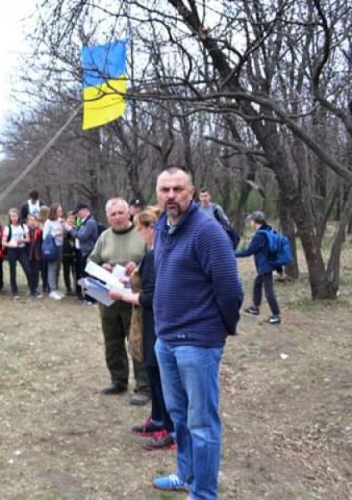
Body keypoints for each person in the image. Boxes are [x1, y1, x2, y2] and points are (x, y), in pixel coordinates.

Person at [151, 167, 243, 498]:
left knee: (202, 423)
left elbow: (230, 290)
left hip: (198, 343)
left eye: (178, 189)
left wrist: (222, 328)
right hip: (167, 340)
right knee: (180, 417)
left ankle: (203, 494)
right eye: (165, 189)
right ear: (157, 193)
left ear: (191, 192)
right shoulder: (163, 225)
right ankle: (185, 473)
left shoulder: (208, 231)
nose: (171, 195)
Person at [109, 206, 175, 450]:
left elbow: (151, 296)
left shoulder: (159, 255)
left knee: (160, 374)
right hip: (147, 322)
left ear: (152, 228)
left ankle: (171, 427)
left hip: (157, 321)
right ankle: (158, 418)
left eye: (140, 229)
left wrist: (122, 296)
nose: (140, 234)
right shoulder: (152, 254)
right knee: (151, 368)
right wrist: (127, 281)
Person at [89, 198, 150, 405]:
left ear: (129, 213)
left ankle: (144, 387)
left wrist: (139, 266)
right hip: (108, 296)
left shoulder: (141, 233)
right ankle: (118, 380)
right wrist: (103, 266)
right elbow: (91, 260)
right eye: (113, 214)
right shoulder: (104, 236)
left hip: (134, 297)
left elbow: (155, 259)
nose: (117, 217)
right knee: (112, 341)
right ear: (107, 217)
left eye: (120, 213)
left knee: (137, 342)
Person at [235, 210, 282, 325]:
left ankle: (276, 315)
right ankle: (255, 307)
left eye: (251, 220)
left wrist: (231, 253)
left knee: (269, 291)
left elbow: (248, 252)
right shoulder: (268, 230)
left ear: (255, 222)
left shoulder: (260, 236)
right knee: (257, 283)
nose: (251, 223)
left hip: (265, 266)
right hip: (269, 264)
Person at [64, 203, 98, 303]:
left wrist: (70, 229)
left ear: (85, 210)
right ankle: (87, 296)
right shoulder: (83, 221)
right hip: (81, 252)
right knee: (84, 275)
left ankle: (91, 298)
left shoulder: (90, 222)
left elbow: (82, 236)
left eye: (78, 212)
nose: (77, 215)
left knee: (89, 276)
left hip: (88, 251)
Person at [2, 208, 32, 300]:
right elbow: (3, 242)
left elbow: (28, 239)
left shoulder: (23, 226)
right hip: (12, 251)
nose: (14, 218)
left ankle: (32, 288)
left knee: (28, 269)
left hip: (21, 250)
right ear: (10, 218)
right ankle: (15, 292)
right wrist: (11, 244)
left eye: (15, 216)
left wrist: (21, 240)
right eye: (12, 216)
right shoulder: (8, 228)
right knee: (13, 271)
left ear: (18, 216)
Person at [43, 204, 65, 300]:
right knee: (52, 267)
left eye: (61, 210)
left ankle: (56, 288)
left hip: (60, 245)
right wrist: (56, 233)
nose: (61, 212)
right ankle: (52, 290)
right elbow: (45, 236)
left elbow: (75, 224)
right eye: (59, 210)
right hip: (52, 246)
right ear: (54, 211)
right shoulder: (49, 222)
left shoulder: (61, 220)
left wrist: (64, 227)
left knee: (58, 267)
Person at [26, 214, 43, 298]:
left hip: (37, 254)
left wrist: (40, 229)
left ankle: (34, 289)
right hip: (27, 253)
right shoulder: (25, 230)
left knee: (36, 272)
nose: (32, 222)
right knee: (29, 271)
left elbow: (42, 238)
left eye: (34, 220)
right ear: (27, 221)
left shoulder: (38, 230)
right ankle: (31, 288)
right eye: (30, 220)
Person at [61, 213, 77, 297]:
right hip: (65, 252)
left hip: (74, 252)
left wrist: (74, 228)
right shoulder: (64, 227)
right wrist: (66, 227)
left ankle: (75, 288)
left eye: (73, 218)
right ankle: (68, 288)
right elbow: (63, 235)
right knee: (66, 271)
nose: (71, 220)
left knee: (75, 271)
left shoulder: (76, 228)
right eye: (70, 218)